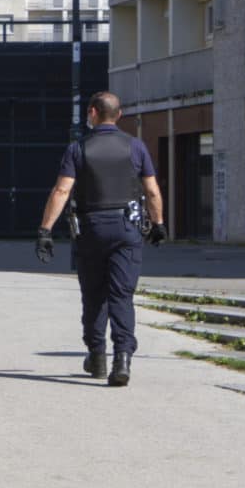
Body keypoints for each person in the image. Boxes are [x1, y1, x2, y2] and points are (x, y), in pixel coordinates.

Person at [34, 91, 165, 387]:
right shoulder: (135, 147)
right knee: (122, 295)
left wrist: (45, 231)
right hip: (127, 229)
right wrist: (158, 224)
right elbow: (153, 190)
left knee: (94, 295)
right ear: (118, 115)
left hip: (91, 229)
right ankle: (123, 358)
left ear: (92, 112)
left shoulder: (78, 149)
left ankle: (97, 356)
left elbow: (62, 191)